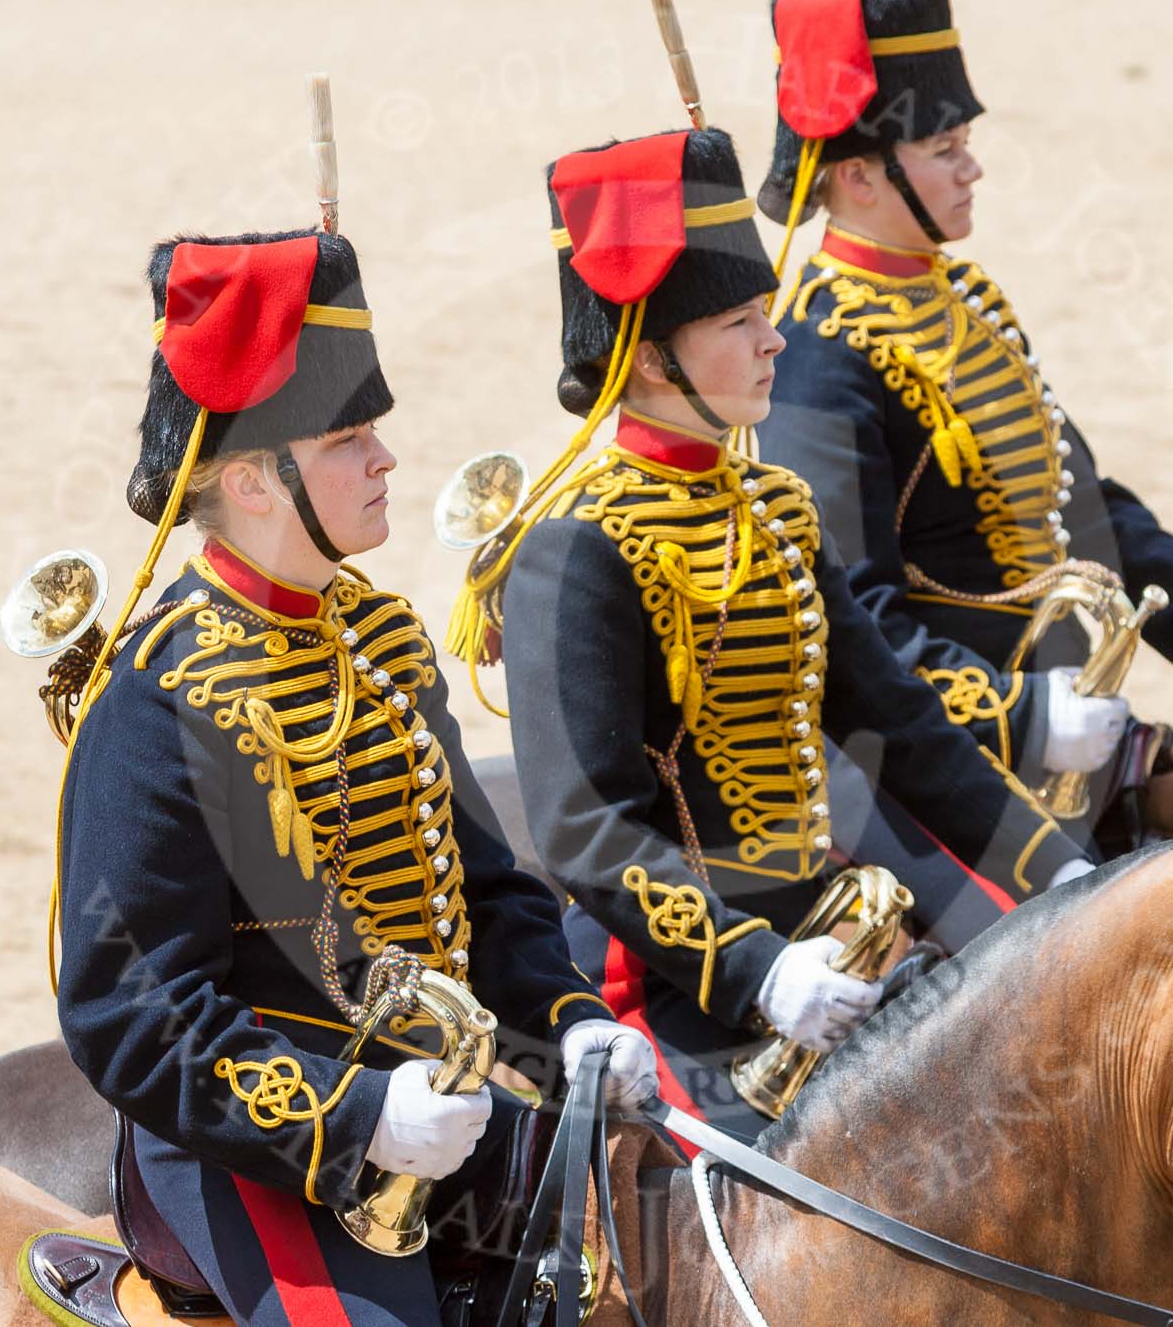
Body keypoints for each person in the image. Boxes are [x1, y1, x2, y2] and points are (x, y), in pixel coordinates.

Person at [53, 227, 655, 1327]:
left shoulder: (379, 638)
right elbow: (127, 1013)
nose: (383, 461)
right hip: (259, 1155)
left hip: (448, 1107)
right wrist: (356, 1115)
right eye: (346, 439)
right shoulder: (154, 693)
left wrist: (564, 1019)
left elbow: (483, 885)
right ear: (250, 478)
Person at [447, 126, 1093, 1141]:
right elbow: (583, 831)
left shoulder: (777, 509)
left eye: (765, 315)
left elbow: (903, 726)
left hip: (831, 945)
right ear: (653, 355)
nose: (773, 341)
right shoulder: (575, 548)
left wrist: (1058, 874)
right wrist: (757, 970)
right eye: (739, 322)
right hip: (667, 987)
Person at [755, 0, 1173, 844]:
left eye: (964, 139)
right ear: (859, 175)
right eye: (944, 148)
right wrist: (1018, 715)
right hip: (927, 783)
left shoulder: (971, 307)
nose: (973, 167)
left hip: (1074, 734)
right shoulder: (815, 361)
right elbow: (862, 625)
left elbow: (1080, 503)